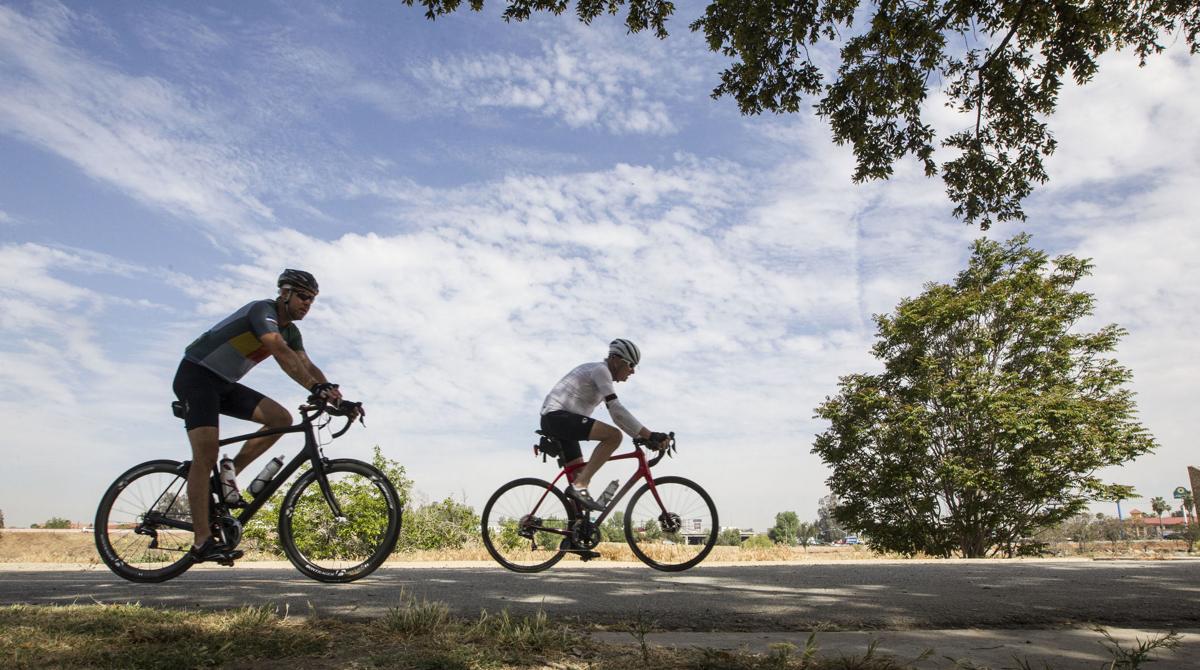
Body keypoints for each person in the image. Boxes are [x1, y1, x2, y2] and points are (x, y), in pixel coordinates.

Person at [172, 269, 345, 563]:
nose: (307, 304)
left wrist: (336, 397)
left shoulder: (292, 331)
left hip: (224, 384)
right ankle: (201, 541)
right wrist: (315, 387)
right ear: (285, 293)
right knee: (206, 454)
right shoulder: (262, 311)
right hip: (196, 376)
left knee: (281, 419)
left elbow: (306, 363)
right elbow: (279, 351)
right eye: (303, 296)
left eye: (312, 300)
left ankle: (226, 480)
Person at [539, 338, 669, 512]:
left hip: (561, 421)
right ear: (616, 360)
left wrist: (641, 437)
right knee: (613, 436)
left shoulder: (602, 376)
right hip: (556, 417)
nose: (632, 371)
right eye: (631, 365)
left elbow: (617, 417)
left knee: (580, 481)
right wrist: (648, 434)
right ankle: (580, 485)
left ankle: (575, 531)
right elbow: (617, 410)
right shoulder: (601, 371)